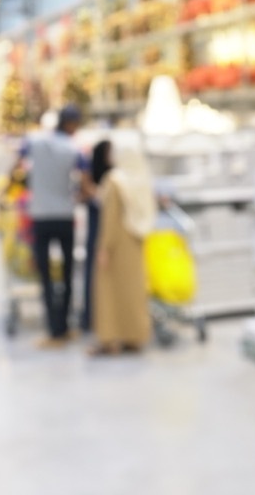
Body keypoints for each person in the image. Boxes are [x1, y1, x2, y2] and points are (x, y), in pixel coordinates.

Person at [22, 105, 91, 348]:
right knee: (67, 272)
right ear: (71, 124)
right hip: (64, 215)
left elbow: (18, 165)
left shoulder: (34, 141)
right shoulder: (75, 149)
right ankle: (65, 325)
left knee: (46, 275)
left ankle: (54, 329)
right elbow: (85, 183)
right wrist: (79, 196)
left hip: (40, 215)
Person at [90, 137, 154, 356]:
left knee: (109, 292)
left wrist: (104, 247)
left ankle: (109, 339)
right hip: (135, 242)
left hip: (117, 243)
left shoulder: (115, 181)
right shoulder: (141, 180)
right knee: (134, 292)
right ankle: (135, 337)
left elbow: (110, 217)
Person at [81, 139, 112, 334]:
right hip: (97, 232)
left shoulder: (114, 177)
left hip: (111, 234)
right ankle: (90, 317)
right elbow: (86, 195)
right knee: (93, 273)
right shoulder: (90, 176)